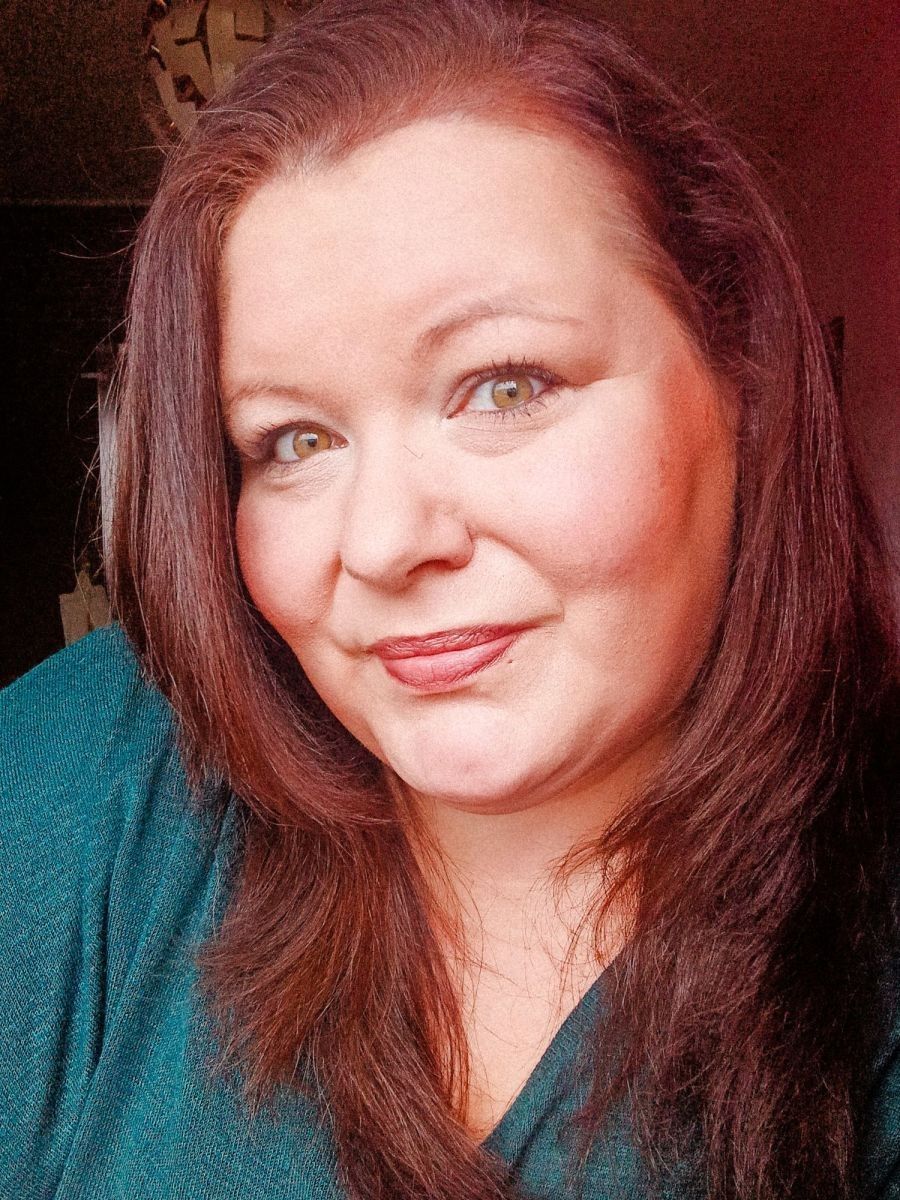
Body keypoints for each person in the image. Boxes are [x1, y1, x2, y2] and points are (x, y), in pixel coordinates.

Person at [2, 2, 897, 1198]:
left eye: (505, 385)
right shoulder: (91, 768)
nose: (381, 544)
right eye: (293, 440)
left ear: (743, 377)